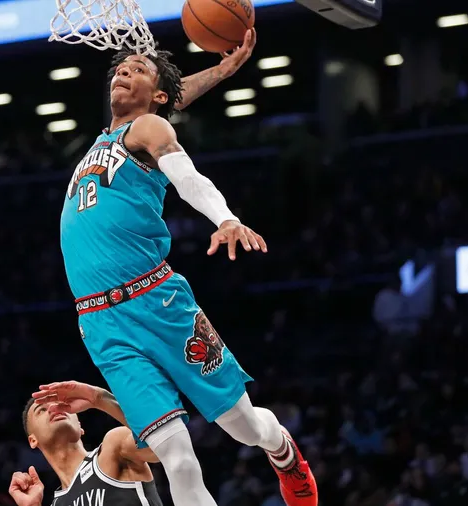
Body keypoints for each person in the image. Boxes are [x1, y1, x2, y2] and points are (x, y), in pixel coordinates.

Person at [58, 30, 318, 506]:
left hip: (156, 301)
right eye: (121, 68)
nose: (123, 71)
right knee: (177, 460)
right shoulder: (104, 138)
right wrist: (221, 70)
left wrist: (226, 218)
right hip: (101, 324)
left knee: (242, 427)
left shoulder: (148, 128)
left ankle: (281, 448)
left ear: (157, 98)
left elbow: (187, 175)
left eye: (137, 69)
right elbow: (173, 92)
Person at [8, 380, 165, 506]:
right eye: (41, 410)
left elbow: (163, 443)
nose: (54, 409)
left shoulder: (113, 447)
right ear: (33, 440)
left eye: (60, 404)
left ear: (80, 426)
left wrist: (98, 398)